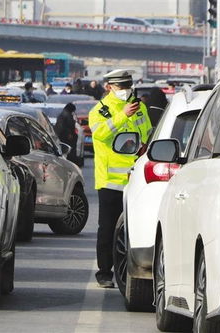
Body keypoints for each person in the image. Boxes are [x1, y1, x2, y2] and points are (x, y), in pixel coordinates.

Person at [88, 69, 153, 288]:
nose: (125, 90)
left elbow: (148, 134)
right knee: (107, 229)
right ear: (109, 87)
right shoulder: (99, 111)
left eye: (127, 86)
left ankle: (132, 270)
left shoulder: (140, 108)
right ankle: (104, 273)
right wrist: (122, 115)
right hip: (110, 181)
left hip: (137, 179)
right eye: (120, 86)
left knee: (135, 229)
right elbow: (100, 135)